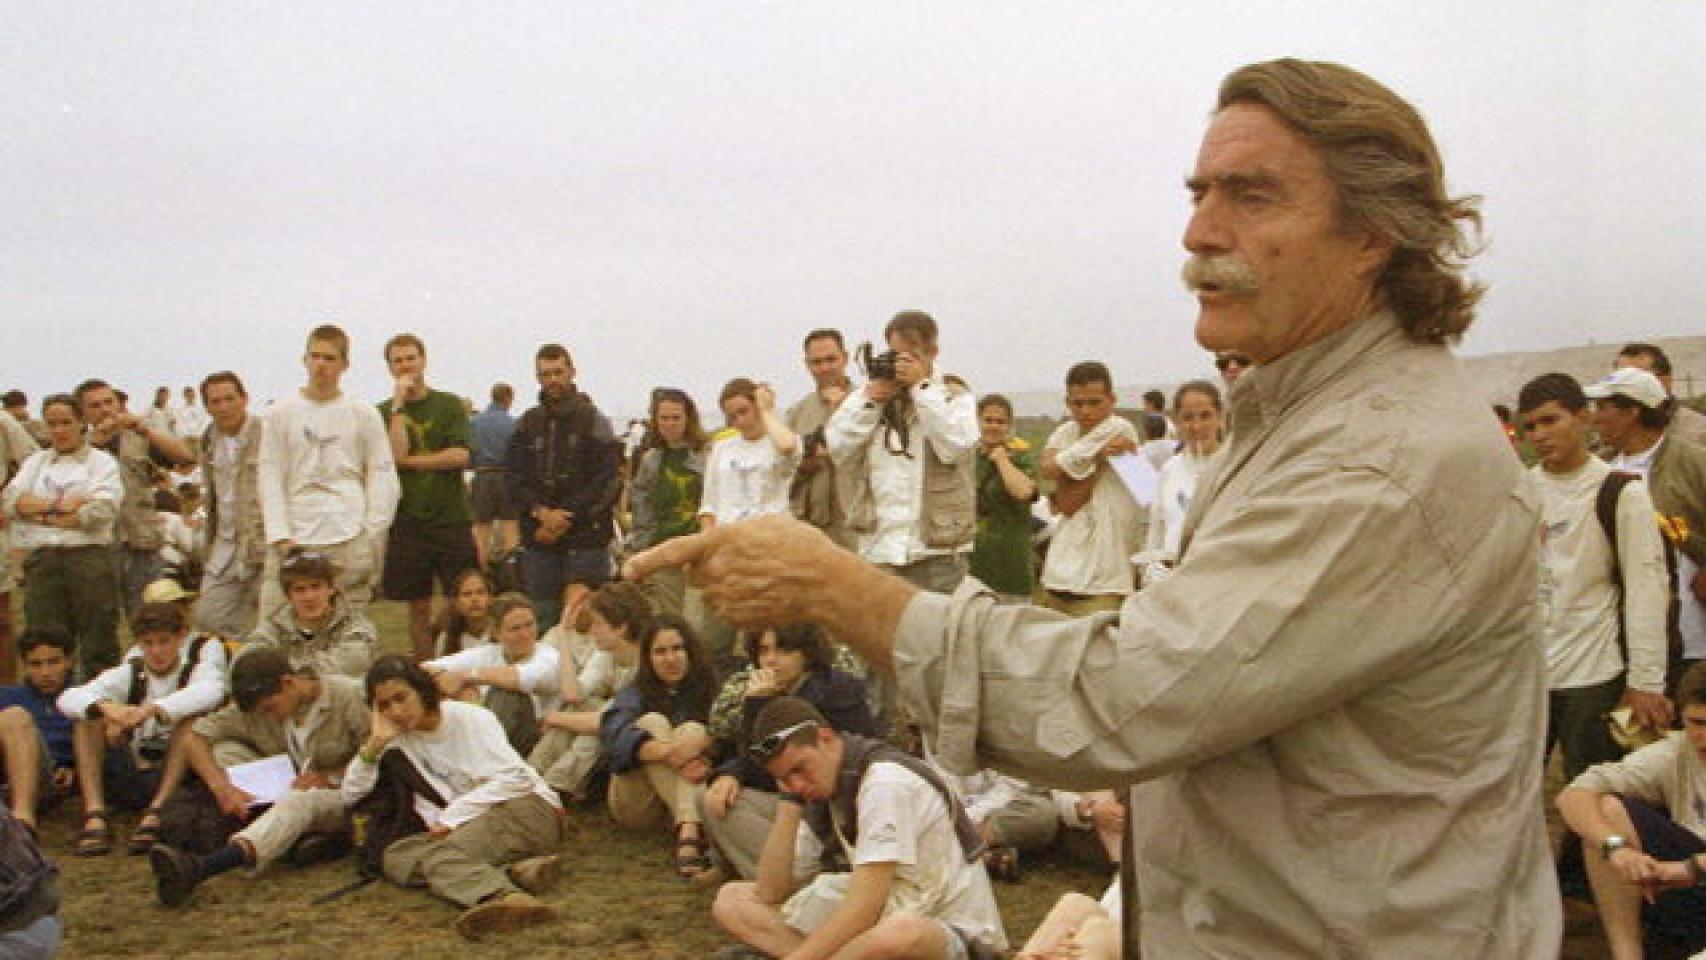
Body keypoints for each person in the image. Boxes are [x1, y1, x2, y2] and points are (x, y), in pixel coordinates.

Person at [630, 58, 1558, 955]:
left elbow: (1127, 699)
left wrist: (832, 584)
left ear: (1373, 235)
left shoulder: (1380, 461)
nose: (1198, 231)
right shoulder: (1302, 417)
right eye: (1197, 193)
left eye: (1252, 195)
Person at [709, 697, 1007, 959]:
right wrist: (789, 803)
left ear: (825, 738)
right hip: (885, 916)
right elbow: (770, 891)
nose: (797, 784)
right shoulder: (822, 788)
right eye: (785, 778)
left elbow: (864, 907)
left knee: (901, 932)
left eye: (800, 769)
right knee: (732, 901)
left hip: (947, 930)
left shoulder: (885, 782)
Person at [345, 655, 565, 940]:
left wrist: (453, 817)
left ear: (422, 691)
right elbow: (351, 794)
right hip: (472, 824)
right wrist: (373, 746)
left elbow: (516, 779)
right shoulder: (396, 741)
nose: (396, 711)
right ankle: (516, 872)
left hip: (527, 807)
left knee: (441, 856)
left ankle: (505, 898)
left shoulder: (470, 718)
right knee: (394, 857)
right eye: (384, 705)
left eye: (402, 698)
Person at [1519, 373, 1673, 780]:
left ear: (1582, 418)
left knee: (1592, 793)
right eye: (1530, 426)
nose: (1540, 434)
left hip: (1593, 672)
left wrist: (1645, 681)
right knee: (1513, 796)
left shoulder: (1619, 491)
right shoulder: (1521, 491)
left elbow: (1647, 588)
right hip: (1528, 673)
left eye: (1551, 421)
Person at [146, 647, 370, 906]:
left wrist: (333, 777)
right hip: (289, 785)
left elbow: (382, 753)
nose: (269, 716)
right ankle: (295, 838)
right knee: (225, 752)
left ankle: (205, 866)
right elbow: (195, 737)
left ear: (288, 683)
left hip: (345, 795)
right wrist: (222, 788)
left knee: (300, 803)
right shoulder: (262, 707)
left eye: (270, 708)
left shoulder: (347, 697)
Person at [1556, 662, 1706, 960]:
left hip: (1688, 873)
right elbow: (1573, 795)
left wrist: (1683, 870)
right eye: (1697, 723)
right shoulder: (1677, 752)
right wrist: (1617, 850)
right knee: (1608, 811)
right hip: (1686, 888)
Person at [702, 623, 873, 882]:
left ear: (805, 653)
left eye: (782, 650)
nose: (770, 660)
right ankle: (772, 873)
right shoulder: (775, 690)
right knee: (713, 798)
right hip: (796, 799)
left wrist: (757, 704)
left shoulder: (836, 691)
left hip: (831, 805)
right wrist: (730, 774)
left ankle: (785, 877)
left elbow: (772, 768)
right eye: (763, 651)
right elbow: (756, 765)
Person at [826, 310, 978, 594]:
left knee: (937, 636)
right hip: (879, 549)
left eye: (911, 355)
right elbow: (838, 448)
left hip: (937, 552)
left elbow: (955, 446)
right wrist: (870, 403)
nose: (901, 363)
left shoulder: (953, 395)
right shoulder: (869, 394)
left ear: (933, 352)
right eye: (896, 354)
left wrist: (922, 389)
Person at [58, 602, 226, 857]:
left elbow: (212, 692)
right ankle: (94, 813)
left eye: (164, 641)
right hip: (134, 767)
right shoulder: (130, 672)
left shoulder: (197, 671)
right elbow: (68, 698)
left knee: (191, 719)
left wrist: (150, 710)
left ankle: (156, 811)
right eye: (148, 643)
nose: (156, 651)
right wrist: (106, 708)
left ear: (180, 638)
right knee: (87, 718)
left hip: (179, 775)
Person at [257, 323, 401, 618]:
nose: (321, 365)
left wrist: (370, 533)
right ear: (305, 360)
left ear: (344, 364)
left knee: (347, 627)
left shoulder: (363, 414)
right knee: (275, 627)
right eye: (315, 356)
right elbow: (269, 475)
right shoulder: (279, 413)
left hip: (347, 536)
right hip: (294, 537)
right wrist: (280, 535)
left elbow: (382, 475)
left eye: (330, 358)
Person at [1589, 367, 1706, 683]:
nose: (1595, 417)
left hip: (1693, 633)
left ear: (1632, 411)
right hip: (1630, 637)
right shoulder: (1602, 473)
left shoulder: (1694, 463)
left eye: (1603, 408)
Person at [1, 394, 123, 678]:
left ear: (81, 423)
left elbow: (100, 511)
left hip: (88, 559)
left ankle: (97, 710)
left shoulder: (101, 463)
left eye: (66, 422)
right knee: (45, 643)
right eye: (52, 424)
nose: (59, 430)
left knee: (98, 641)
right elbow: (10, 501)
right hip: (43, 561)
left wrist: (37, 514)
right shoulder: (36, 463)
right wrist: (58, 507)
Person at [506, 342, 622, 629]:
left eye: (558, 372)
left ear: (572, 371)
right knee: (542, 617)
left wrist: (566, 516)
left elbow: (608, 479)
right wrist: (541, 513)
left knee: (586, 620)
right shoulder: (527, 423)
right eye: (546, 374)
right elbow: (513, 476)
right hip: (539, 539)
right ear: (538, 378)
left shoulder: (594, 420)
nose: (553, 380)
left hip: (587, 537)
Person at [378, 333, 478, 661]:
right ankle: (423, 670)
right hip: (408, 520)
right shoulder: (383, 411)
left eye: (411, 358)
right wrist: (397, 406)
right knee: (416, 606)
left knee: (460, 600)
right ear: (390, 367)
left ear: (423, 360)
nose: (406, 365)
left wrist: (412, 463)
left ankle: (453, 659)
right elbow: (394, 453)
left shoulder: (448, 404)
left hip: (450, 516)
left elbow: (460, 455)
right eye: (398, 360)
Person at [599, 615, 719, 879]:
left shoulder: (711, 688)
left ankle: (688, 828)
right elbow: (614, 737)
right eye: (660, 651)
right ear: (648, 658)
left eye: (677, 649)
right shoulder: (635, 692)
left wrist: (703, 742)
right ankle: (693, 826)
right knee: (652, 723)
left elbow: (732, 734)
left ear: (690, 651)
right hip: (639, 803)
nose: (670, 658)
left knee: (694, 731)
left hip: (687, 793)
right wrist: (670, 753)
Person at [75, 379, 196, 618]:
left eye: (109, 402)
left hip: (142, 541)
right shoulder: (77, 449)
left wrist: (145, 430)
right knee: (98, 619)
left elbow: (186, 458)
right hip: (97, 545)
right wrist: (96, 441)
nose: (105, 409)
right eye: (95, 405)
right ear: (82, 414)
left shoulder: (137, 438)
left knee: (150, 616)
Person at [1038, 362, 1142, 616]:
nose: (1085, 411)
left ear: (1112, 400)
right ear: (1068, 402)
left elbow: (1145, 490)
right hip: (1062, 570)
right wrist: (1095, 459)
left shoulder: (1120, 429)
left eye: (1095, 403)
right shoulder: (1065, 432)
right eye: (1077, 403)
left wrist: (1072, 464)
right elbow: (1049, 472)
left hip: (1108, 573)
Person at [529, 580, 647, 800]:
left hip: (640, 741)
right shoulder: (608, 653)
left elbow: (608, 720)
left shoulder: (647, 661)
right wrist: (563, 634)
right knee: (580, 709)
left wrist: (554, 717)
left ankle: (554, 788)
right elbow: (573, 694)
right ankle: (531, 776)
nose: (591, 631)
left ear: (620, 626)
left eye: (598, 624)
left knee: (594, 727)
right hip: (614, 726)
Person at [424, 592, 560, 757]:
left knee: (507, 693)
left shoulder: (549, 656)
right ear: (496, 633)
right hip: (492, 737)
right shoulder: (489, 653)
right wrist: (462, 691)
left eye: (529, 625)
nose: (525, 634)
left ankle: (474, 758)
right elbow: (424, 669)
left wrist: (464, 678)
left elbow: (521, 677)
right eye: (515, 629)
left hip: (534, 740)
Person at [190, 371, 266, 640]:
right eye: (215, 401)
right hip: (224, 546)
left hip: (265, 543)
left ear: (244, 399)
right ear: (207, 407)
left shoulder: (268, 433)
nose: (223, 407)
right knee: (208, 618)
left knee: (276, 622)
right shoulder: (208, 440)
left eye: (229, 399)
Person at [627, 387, 709, 620]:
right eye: (664, 418)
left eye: (676, 418)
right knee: (672, 620)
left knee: (699, 620)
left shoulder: (707, 455)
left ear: (688, 419)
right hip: (663, 551)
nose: (670, 424)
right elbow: (641, 509)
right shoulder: (650, 460)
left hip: (698, 551)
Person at [1136, 380, 1224, 588]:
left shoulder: (1234, 465)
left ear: (1220, 417)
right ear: (1177, 421)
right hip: (1170, 585)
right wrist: (1149, 572)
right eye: (1188, 418)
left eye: (1205, 416)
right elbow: (1157, 529)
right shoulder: (1170, 469)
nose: (1196, 426)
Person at [245, 550, 377, 679]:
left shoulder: (355, 623)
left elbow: (353, 663)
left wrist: (282, 672)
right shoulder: (274, 625)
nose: (309, 597)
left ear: (331, 589)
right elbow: (246, 659)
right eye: (300, 590)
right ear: (288, 597)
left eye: (316, 587)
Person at [785, 329, 857, 550]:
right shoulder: (796, 413)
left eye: (831, 359)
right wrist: (806, 464)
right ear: (807, 364)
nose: (825, 368)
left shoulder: (868, 404)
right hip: (811, 526)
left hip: (857, 524)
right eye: (816, 362)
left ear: (845, 357)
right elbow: (781, 475)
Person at [0, 629, 76, 831]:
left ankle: (23, 820)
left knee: (15, 716)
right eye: (36, 664)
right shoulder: (6, 696)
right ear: (24, 666)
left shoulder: (83, 697)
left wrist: (71, 765)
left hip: (44, 777)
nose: (45, 672)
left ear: (69, 661)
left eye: (53, 662)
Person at [699, 379, 801, 529]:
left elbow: (787, 447)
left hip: (771, 533)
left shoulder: (782, 440)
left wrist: (766, 410)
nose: (739, 421)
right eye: (732, 416)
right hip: (728, 535)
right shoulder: (721, 448)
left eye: (744, 411)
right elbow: (708, 505)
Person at [968, 394, 1038, 603]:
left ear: (1009, 426)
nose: (994, 426)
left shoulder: (1020, 457)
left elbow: (1024, 492)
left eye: (1001, 422)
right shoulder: (967, 457)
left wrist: (1001, 459)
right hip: (973, 567)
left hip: (1010, 569)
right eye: (988, 420)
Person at [0, 402, 39, 685]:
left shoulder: (3, 422)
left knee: (1, 621)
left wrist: (7, 502)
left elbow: (35, 460)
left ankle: (5, 692)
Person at [1615, 342, 1706, 447]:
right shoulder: (1611, 435)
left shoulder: (1698, 433)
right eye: (1620, 380)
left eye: (1638, 379)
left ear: (1665, 380)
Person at [470, 382, 520, 569]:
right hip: (506, 477)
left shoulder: (474, 422)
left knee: (481, 532)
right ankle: (512, 575)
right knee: (510, 530)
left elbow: (469, 453)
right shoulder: (513, 424)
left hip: (482, 476)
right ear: (508, 398)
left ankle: (480, 576)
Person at [433, 567, 496, 657]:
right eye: (467, 594)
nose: (474, 599)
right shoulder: (445, 640)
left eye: (480, 592)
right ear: (456, 602)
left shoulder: (504, 634)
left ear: (490, 598)